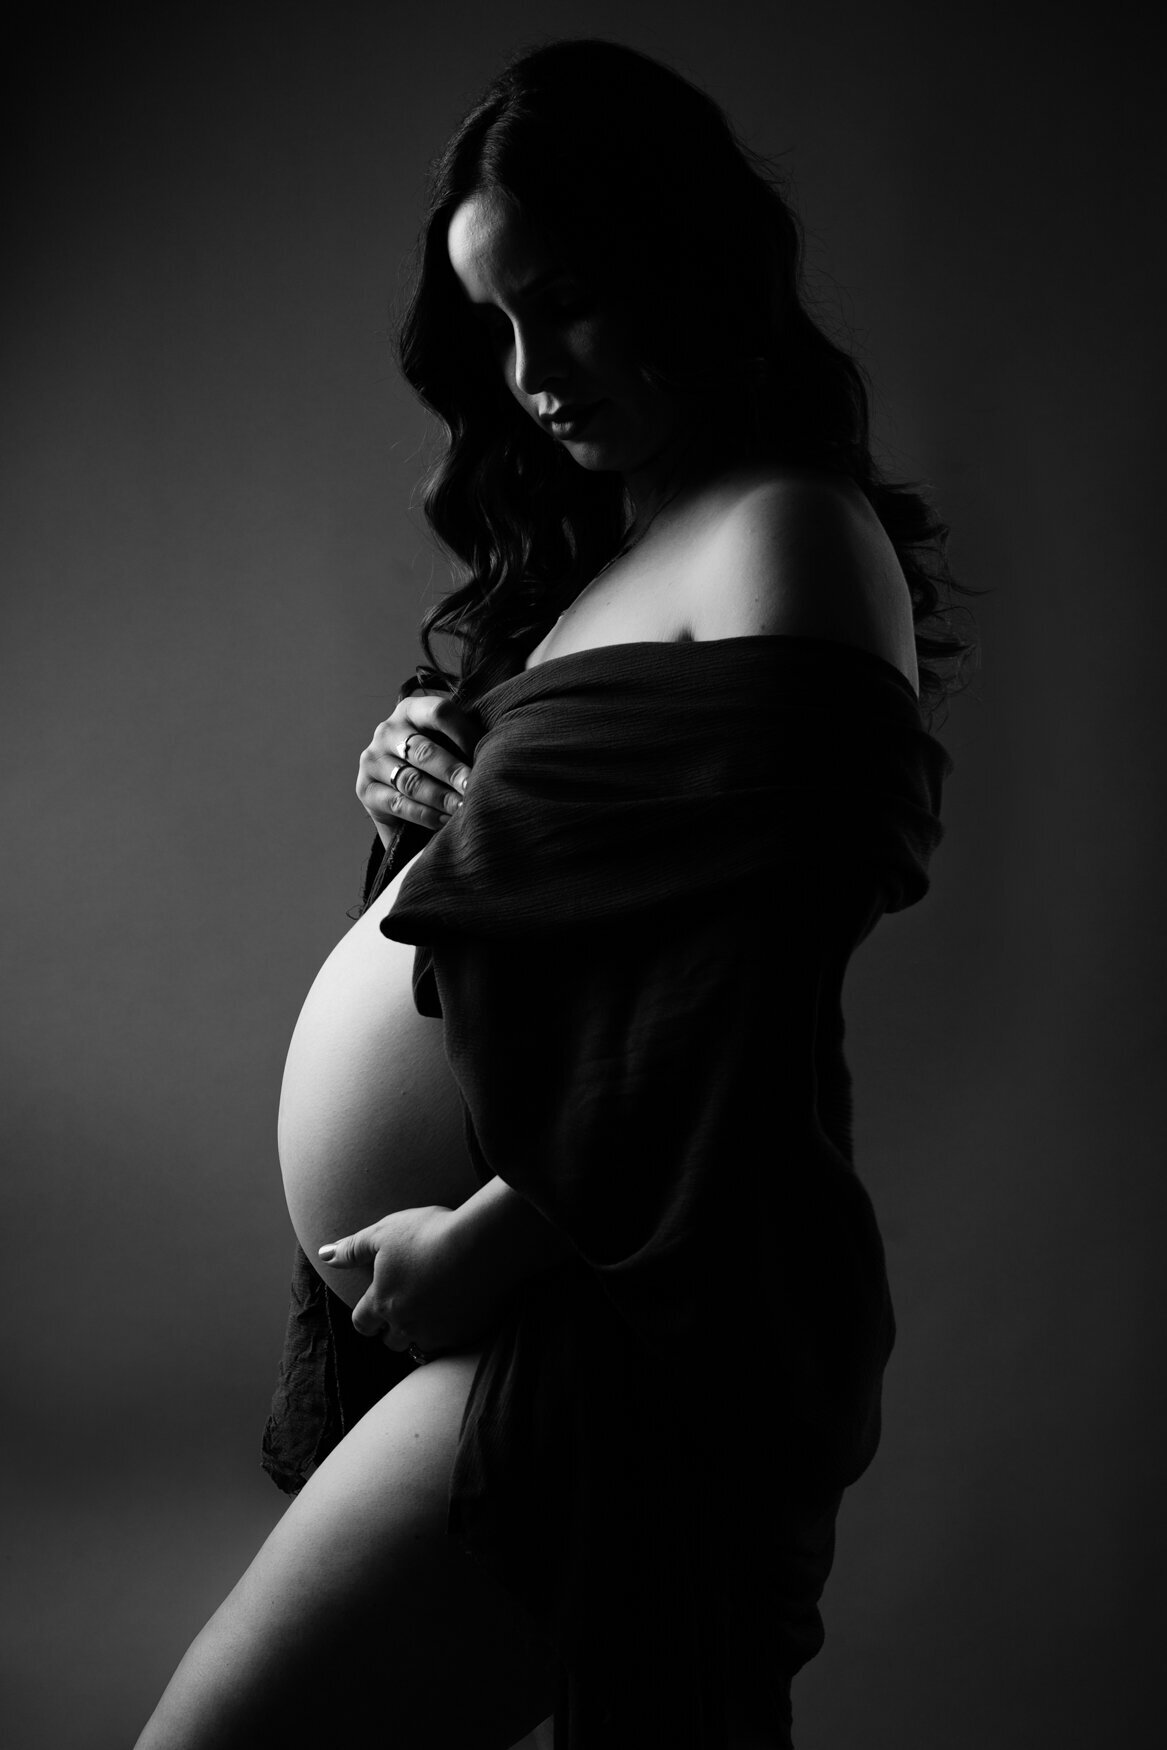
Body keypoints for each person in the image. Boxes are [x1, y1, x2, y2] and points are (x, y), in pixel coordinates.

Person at [136, 37, 975, 1750]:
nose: (533, 375)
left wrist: (492, 1233)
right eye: (496, 327)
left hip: (611, 1319)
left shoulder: (793, 537)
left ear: (688, 263)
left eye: (569, 305)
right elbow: (576, 905)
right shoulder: (627, 557)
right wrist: (425, 797)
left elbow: (735, 1002)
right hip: (527, 1307)